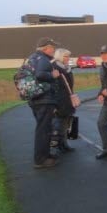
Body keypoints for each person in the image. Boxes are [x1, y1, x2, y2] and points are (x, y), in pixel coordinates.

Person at [28, 37, 61, 168]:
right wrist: (53, 75)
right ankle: (41, 160)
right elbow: (40, 74)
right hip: (44, 99)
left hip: (36, 98)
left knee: (44, 128)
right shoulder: (43, 59)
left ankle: (46, 155)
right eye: (53, 47)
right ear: (46, 48)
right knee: (43, 129)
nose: (54, 50)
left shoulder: (33, 58)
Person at [51, 48, 76, 154]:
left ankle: (64, 144)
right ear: (59, 57)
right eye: (65, 56)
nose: (68, 58)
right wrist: (54, 103)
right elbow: (53, 86)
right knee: (58, 123)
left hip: (67, 99)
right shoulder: (54, 67)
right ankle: (57, 145)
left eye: (68, 56)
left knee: (65, 123)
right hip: (59, 100)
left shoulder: (67, 68)